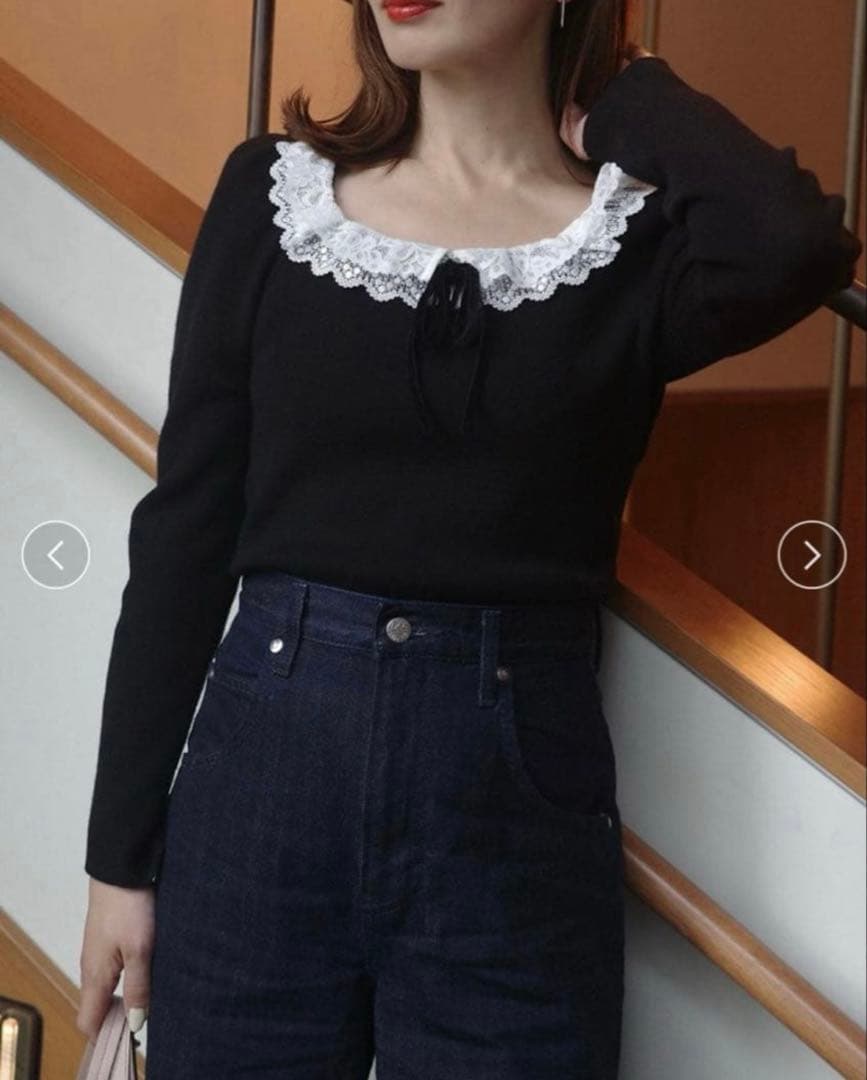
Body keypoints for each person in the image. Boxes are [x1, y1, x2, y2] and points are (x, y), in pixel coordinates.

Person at [77, 0, 862, 1075]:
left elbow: (795, 237)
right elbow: (184, 533)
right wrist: (117, 860)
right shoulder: (273, 198)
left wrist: (617, 94)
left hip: (514, 819)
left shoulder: (628, 245)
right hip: (258, 789)